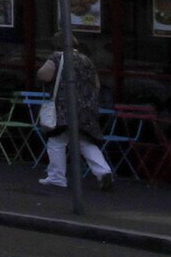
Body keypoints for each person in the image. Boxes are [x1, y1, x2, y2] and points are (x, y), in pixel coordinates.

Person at [36, 33, 113, 192]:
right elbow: (97, 84)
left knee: (57, 141)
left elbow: (44, 75)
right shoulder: (86, 60)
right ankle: (103, 171)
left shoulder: (57, 57)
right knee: (85, 141)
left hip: (64, 107)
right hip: (87, 109)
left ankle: (57, 177)